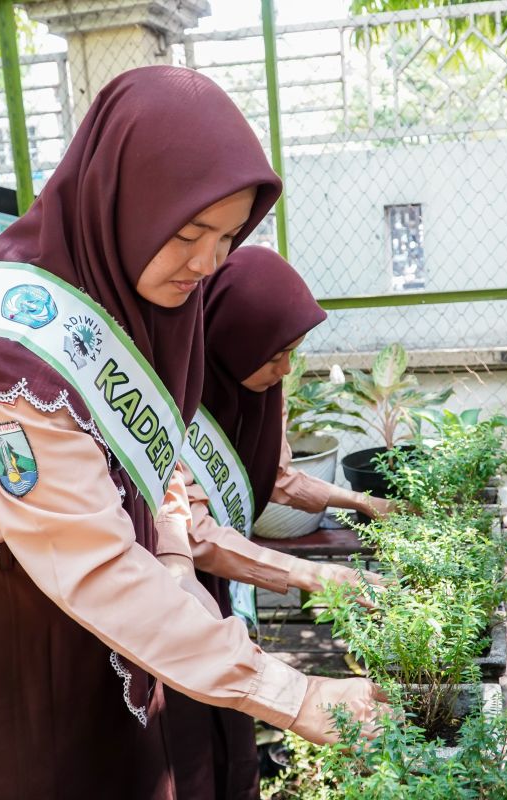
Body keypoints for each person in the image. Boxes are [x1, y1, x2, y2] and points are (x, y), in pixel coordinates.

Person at [0, 67, 388, 799]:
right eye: (187, 234)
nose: (206, 264)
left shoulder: (140, 303)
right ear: (120, 204)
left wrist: (191, 564)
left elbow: (157, 487)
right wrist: (297, 696)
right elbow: (91, 563)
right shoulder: (7, 354)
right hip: (2, 624)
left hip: (105, 611)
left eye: (227, 238)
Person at [160, 247, 394, 798]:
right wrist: (319, 577)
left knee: (232, 736)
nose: (286, 367)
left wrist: (364, 504)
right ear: (233, 341)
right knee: (191, 741)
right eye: (276, 355)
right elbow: (192, 534)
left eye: (293, 352)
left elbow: (278, 477)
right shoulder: (173, 405)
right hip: (170, 595)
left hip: (216, 587)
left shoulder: (256, 393)